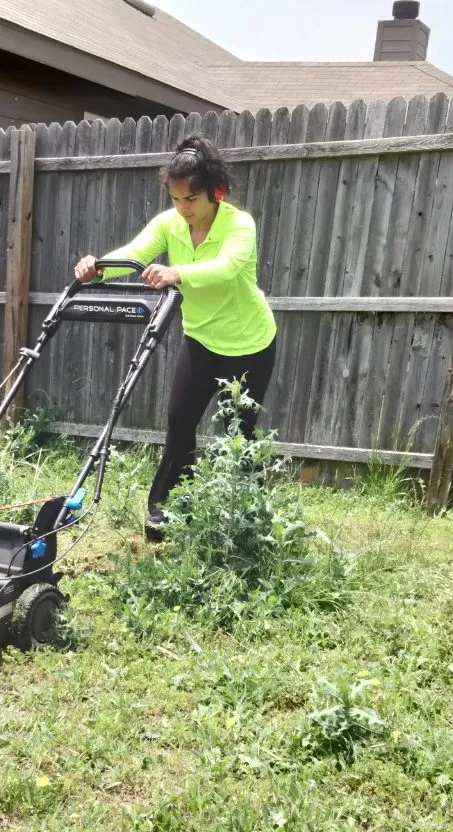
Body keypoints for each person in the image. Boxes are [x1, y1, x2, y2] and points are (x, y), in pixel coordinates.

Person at [74, 135, 277, 540]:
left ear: (215, 191)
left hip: (250, 345)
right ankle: (166, 511)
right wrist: (98, 267)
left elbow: (227, 267)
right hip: (201, 341)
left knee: (239, 434)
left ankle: (245, 521)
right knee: (180, 421)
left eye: (192, 199)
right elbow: (136, 252)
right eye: (176, 198)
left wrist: (177, 273)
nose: (184, 207)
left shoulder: (239, 224)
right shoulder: (170, 224)